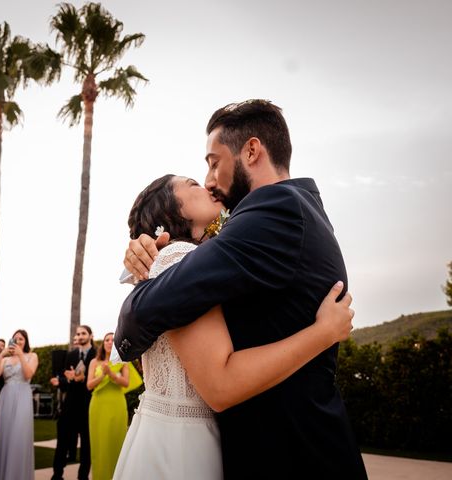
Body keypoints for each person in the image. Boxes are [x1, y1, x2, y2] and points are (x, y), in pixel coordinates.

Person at [116, 100, 367, 479]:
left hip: (292, 453)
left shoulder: (273, 211)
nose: (210, 180)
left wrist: (139, 283)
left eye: (214, 162)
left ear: (251, 150)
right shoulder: (298, 208)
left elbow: (148, 310)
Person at [0, 329, 38, 480]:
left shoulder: (32, 356)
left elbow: (28, 374)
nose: (18, 341)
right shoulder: (4, 360)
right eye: (15, 339)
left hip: (23, 395)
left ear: (26, 342)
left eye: (21, 339)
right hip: (6, 396)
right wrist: (2, 355)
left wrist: (21, 355)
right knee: (5, 434)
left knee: (19, 435)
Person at [51, 325, 96, 480]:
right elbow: (65, 381)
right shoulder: (70, 355)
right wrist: (61, 380)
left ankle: (83, 476)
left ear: (91, 336)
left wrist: (83, 379)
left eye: (83, 333)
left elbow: (97, 382)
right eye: (78, 333)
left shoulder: (97, 355)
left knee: (86, 445)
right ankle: (57, 475)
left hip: (88, 404)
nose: (80, 336)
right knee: (62, 442)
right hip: (69, 405)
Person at [87, 332, 133, 480]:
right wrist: (103, 375)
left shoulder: (123, 361)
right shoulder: (94, 362)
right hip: (98, 405)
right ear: (103, 343)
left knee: (116, 442)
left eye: (113, 340)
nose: (109, 342)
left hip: (116, 404)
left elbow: (126, 383)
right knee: (99, 446)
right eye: (107, 339)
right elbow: (89, 385)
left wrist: (112, 374)